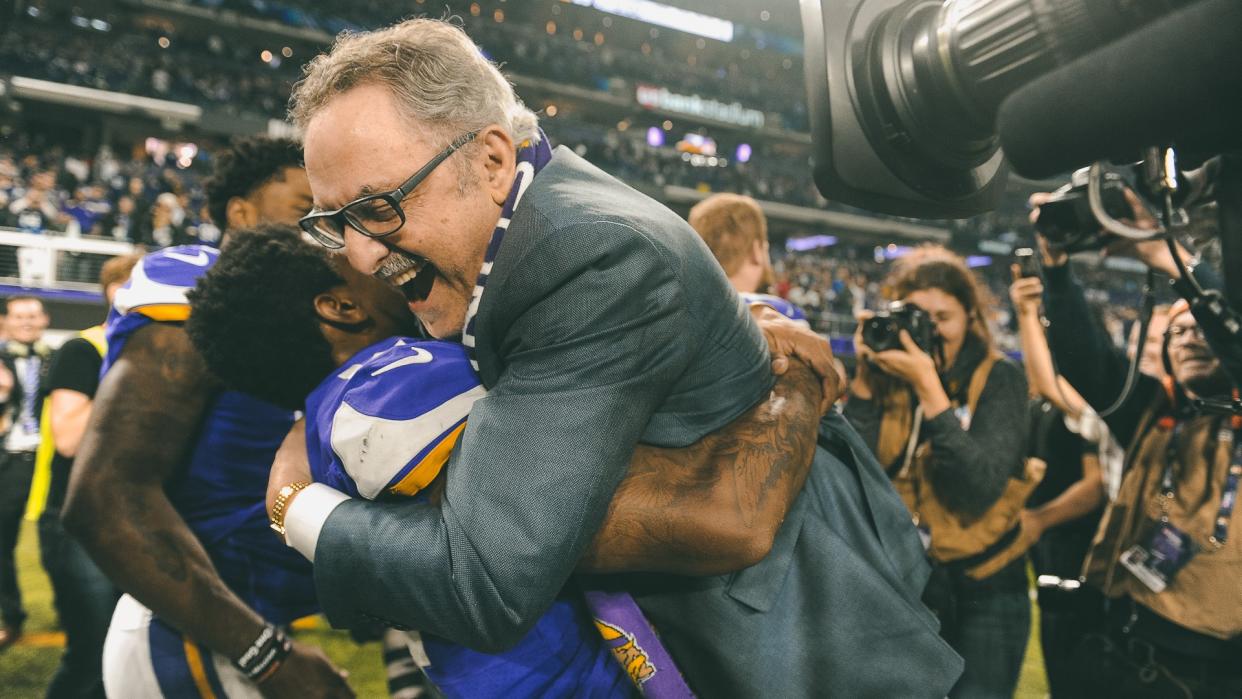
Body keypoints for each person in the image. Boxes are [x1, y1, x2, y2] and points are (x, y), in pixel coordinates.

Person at [280, 19, 960, 697]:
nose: (361, 255)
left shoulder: (577, 260)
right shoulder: (527, 231)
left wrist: (296, 503)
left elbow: (482, 577)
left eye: (379, 207)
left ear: (491, 161)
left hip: (808, 644)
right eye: (333, 222)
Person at [185, 224, 829, 697]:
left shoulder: (334, 408)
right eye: (340, 250)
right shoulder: (387, 384)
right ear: (340, 307)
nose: (367, 250)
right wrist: (790, 375)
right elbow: (727, 516)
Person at [63, 138, 353, 698]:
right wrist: (267, 658)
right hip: (197, 629)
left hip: (239, 619)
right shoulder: (196, 289)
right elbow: (105, 497)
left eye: (331, 214)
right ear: (240, 213)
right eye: (303, 208)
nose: (323, 228)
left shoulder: (304, 323)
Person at [1034, 190, 1242, 697]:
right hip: (1115, 637)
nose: (1190, 338)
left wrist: (1169, 257)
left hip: (1205, 665)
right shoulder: (1154, 412)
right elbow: (1087, 360)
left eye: (1202, 330)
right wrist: (1056, 272)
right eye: (1178, 333)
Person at [843, 245, 1034, 698]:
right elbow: (852, 478)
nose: (928, 331)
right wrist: (866, 385)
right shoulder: (889, 376)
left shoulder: (1000, 378)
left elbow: (976, 489)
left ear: (971, 316)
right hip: (906, 583)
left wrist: (930, 389)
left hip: (984, 587)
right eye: (917, 316)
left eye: (942, 319)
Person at [21, 254, 139, 697]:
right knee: (92, 653)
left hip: (132, 516)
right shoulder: (85, 348)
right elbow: (69, 437)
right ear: (112, 292)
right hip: (79, 520)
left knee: (125, 653)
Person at [0, 296, 52, 650]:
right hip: (12, 458)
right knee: (3, 541)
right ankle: (11, 616)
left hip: (49, 459)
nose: (26, 322)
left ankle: (76, 607)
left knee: (61, 537)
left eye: (32, 315)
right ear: (6, 321)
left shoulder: (60, 357)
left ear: (44, 319)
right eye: (19, 316)